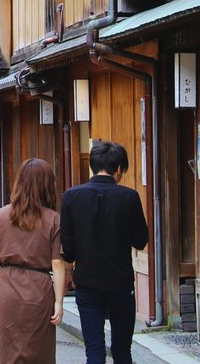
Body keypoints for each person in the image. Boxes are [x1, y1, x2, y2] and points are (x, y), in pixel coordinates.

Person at [60, 140, 149, 364]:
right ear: (119, 169)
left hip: (87, 283)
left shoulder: (71, 197)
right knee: (121, 350)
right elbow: (141, 241)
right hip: (121, 283)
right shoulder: (129, 197)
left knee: (94, 350)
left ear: (93, 166)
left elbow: (68, 250)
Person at [0, 158, 66, 364]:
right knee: (38, 351)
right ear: (48, 184)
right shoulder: (54, 219)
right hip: (38, 291)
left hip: (5, 290)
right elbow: (57, 263)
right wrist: (59, 302)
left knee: (4, 351)